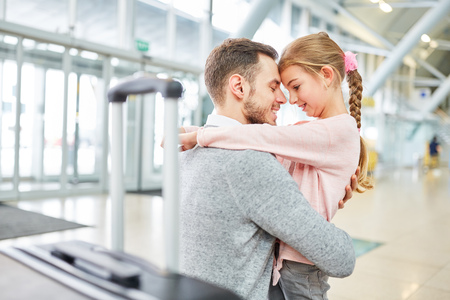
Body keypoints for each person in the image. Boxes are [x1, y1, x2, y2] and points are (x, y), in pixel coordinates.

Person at [179, 32, 374, 299]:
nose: (285, 100)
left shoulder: (186, 156)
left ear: (327, 76)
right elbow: (342, 259)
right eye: (274, 87)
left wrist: (199, 134)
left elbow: (272, 142)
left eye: (293, 87)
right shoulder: (251, 164)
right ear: (239, 87)